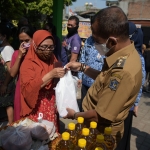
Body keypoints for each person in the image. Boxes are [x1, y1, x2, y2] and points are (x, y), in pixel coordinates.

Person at [64, 6, 142, 149]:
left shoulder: (122, 72)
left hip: (100, 134)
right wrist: (82, 67)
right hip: (95, 128)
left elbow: (100, 116)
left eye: (96, 41)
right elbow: (105, 79)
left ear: (112, 42)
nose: (94, 45)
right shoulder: (125, 54)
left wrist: (75, 115)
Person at [20, 30, 65, 131]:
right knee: (37, 135)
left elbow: (58, 79)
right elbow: (28, 89)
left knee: (51, 136)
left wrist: (64, 74)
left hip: (51, 104)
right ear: (35, 45)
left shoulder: (52, 58)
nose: (48, 50)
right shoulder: (28, 63)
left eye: (51, 47)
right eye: (44, 46)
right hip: (36, 106)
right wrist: (50, 74)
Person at [115, 21, 146, 150]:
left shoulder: (137, 57)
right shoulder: (121, 54)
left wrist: (136, 103)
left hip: (126, 105)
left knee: (120, 140)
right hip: (115, 103)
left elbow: (140, 81)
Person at [77, 15, 105, 112]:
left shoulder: (107, 43)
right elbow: (83, 58)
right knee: (84, 109)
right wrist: (80, 76)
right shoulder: (89, 40)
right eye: (92, 29)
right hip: (85, 82)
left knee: (95, 112)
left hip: (99, 85)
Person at [10, 25, 34, 121]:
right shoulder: (16, 54)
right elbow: (12, 74)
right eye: (21, 41)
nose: (24, 44)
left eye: (27, 41)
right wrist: (20, 56)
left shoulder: (38, 53)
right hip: (21, 90)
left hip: (35, 88)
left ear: (33, 39)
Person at [0, 24, 15, 124]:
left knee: (8, 104)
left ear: (4, 36)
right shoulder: (2, 48)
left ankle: (11, 125)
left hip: (7, 83)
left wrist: (5, 85)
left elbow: (10, 69)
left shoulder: (7, 49)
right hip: (3, 82)